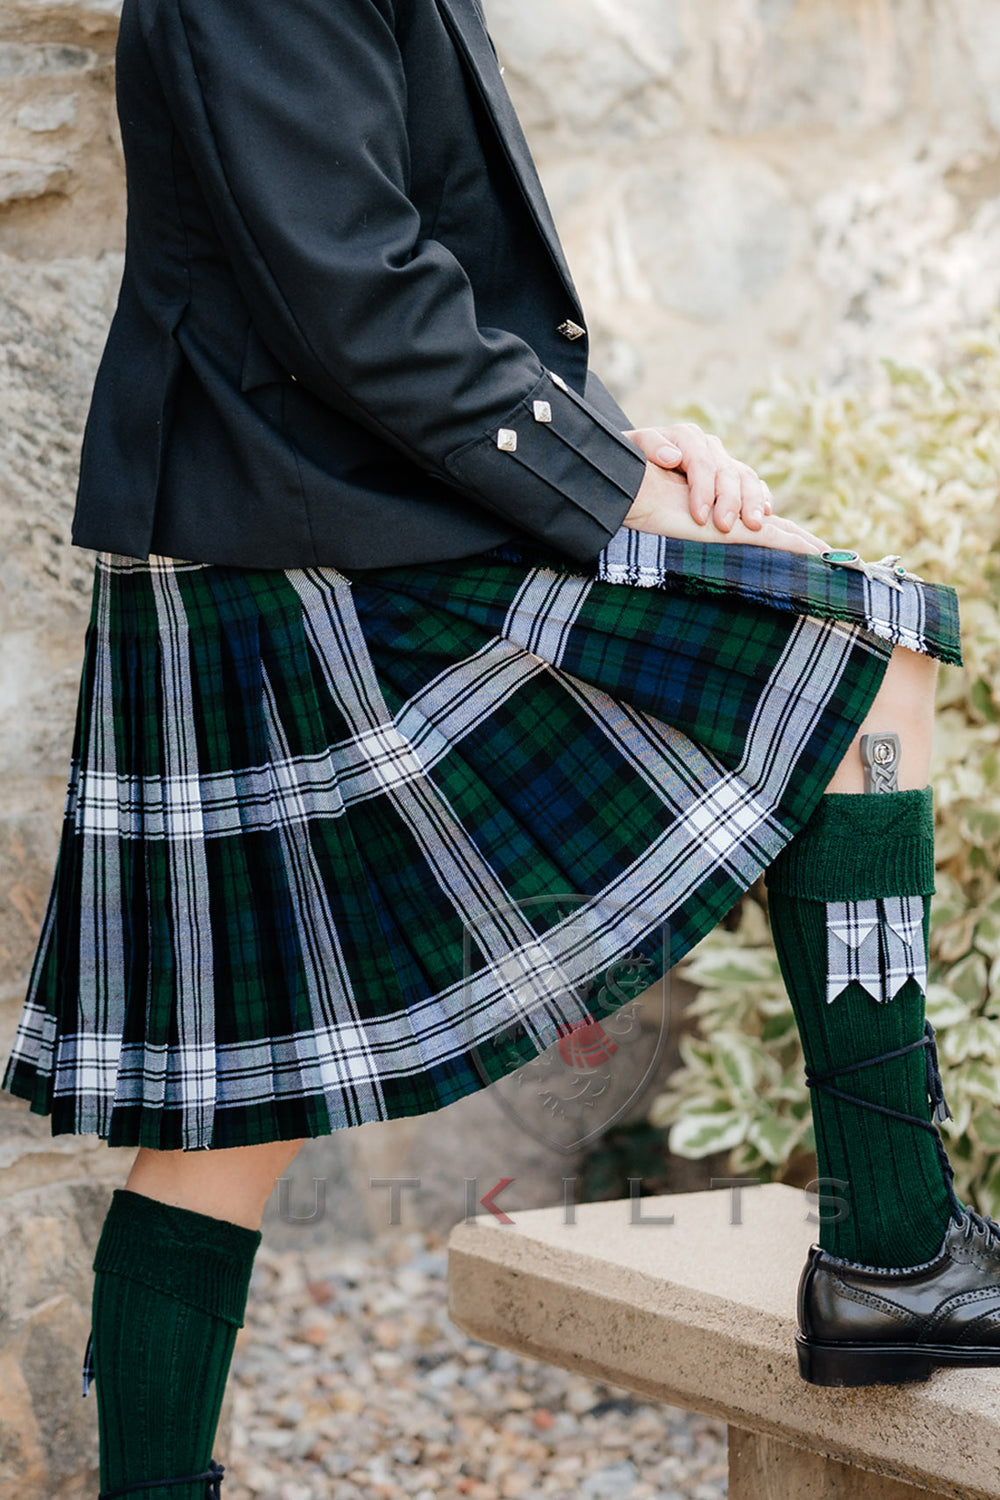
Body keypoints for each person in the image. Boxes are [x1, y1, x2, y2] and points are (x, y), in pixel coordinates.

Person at [1, 0, 997, 1494]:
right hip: (307, 554)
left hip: (315, 528)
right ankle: (898, 1245)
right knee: (862, 650)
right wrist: (610, 487)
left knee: (239, 1102)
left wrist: (624, 445)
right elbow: (354, 294)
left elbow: (429, 272)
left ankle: (899, 1248)